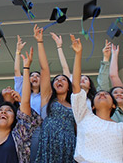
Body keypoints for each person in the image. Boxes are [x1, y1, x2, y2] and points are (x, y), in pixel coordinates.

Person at [70, 34, 123, 163]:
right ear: (93, 106)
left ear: (113, 105)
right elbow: (75, 86)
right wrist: (78, 54)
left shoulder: (122, 128)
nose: (102, 94)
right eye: (98, 95)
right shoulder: (84, 116)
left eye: (106, 94)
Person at [33, 25, 75, 163]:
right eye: (56, 79)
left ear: (69, 86)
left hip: (69, 144)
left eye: (63, 79)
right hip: (49, 142)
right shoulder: (47, 98)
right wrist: (40, 42)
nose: (59, 80)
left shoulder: (74, 103)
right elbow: (44, 69)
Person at [51, 33, 112, 107]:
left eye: (86, 79)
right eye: (79, 79)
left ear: (90, 86)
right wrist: (59, 47)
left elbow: (103, 82)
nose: (82, 80)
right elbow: (65, 68)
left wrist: (106, 58)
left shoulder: (95, 99)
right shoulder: (71, 97)